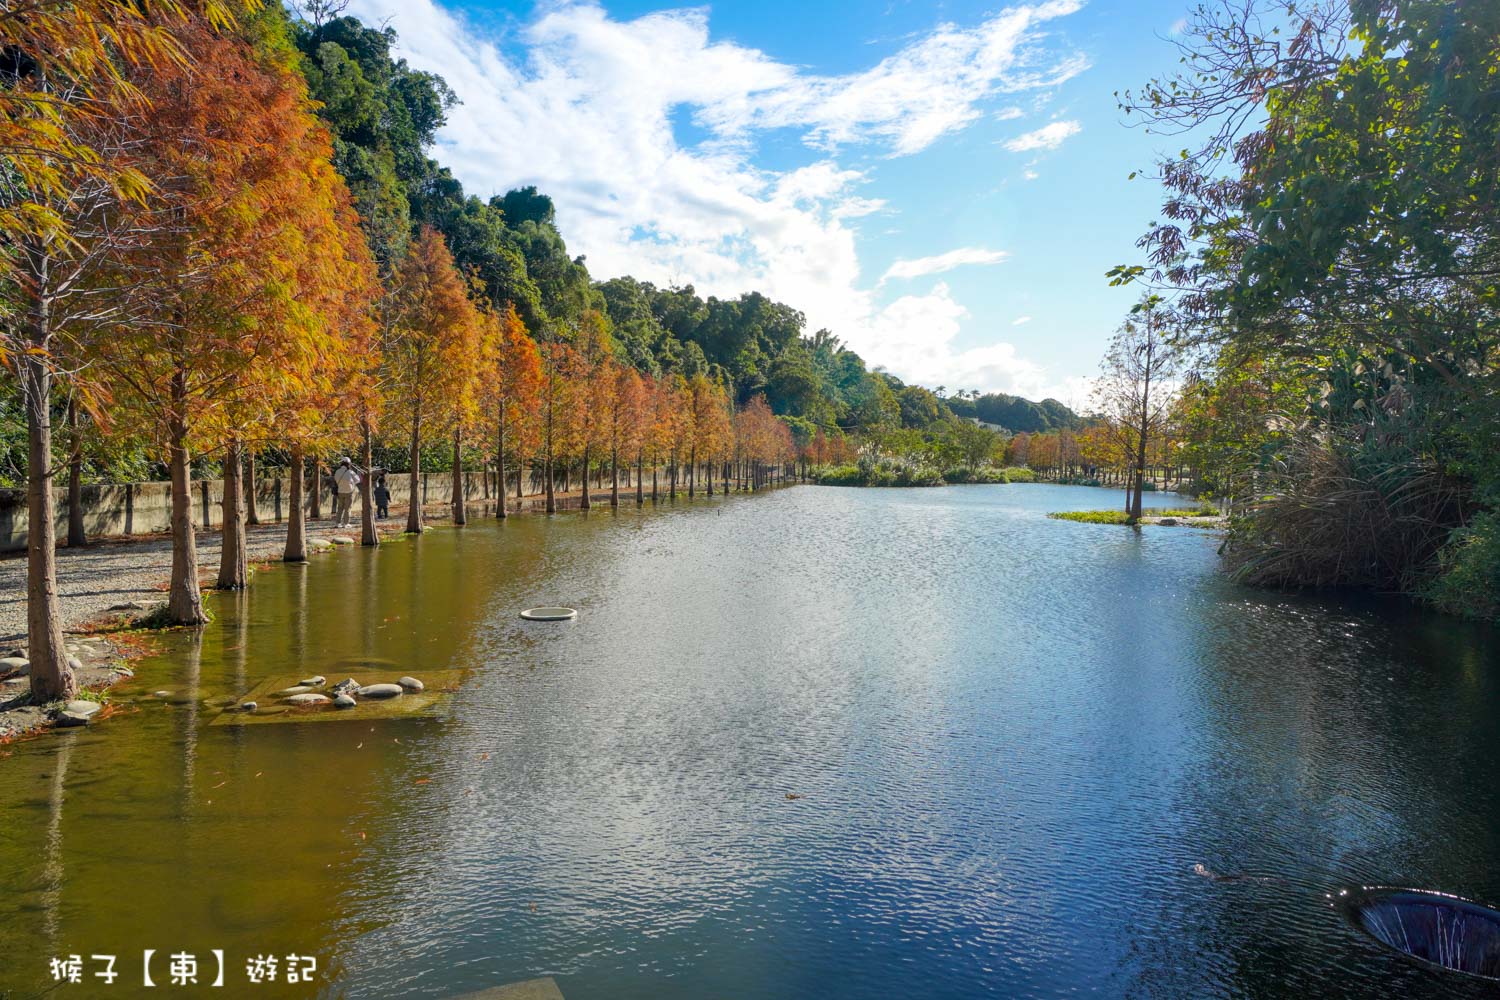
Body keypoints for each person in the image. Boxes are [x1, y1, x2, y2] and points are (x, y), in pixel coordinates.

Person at [332, 457, 361, 528]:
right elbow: (358, 480)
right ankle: (346, 523)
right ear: (348, 464)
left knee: (340, 508)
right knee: (347, 508)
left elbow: (336, 480)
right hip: (349, 492)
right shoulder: (350, 472)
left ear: (341, 463)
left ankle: (337, 523)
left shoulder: (337, 471)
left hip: (340, 492)